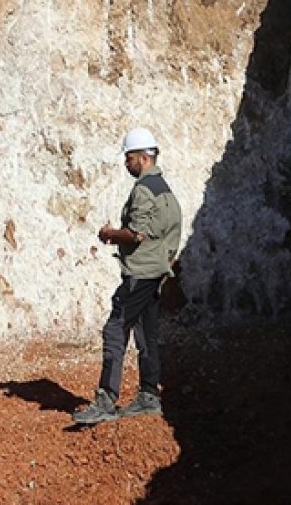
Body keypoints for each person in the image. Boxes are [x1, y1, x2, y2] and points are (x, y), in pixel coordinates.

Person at [73, 127, 182, 425]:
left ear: (143, 158)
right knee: (146, 335)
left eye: (129, 157)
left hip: (139, 275)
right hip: (155, 273)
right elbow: (172, 236)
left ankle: (106, 399)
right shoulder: (166, 190)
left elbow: (136, 233)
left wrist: (109, 234)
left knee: (115, 330)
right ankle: (148, 395)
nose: (126, 163)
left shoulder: (144, 190)